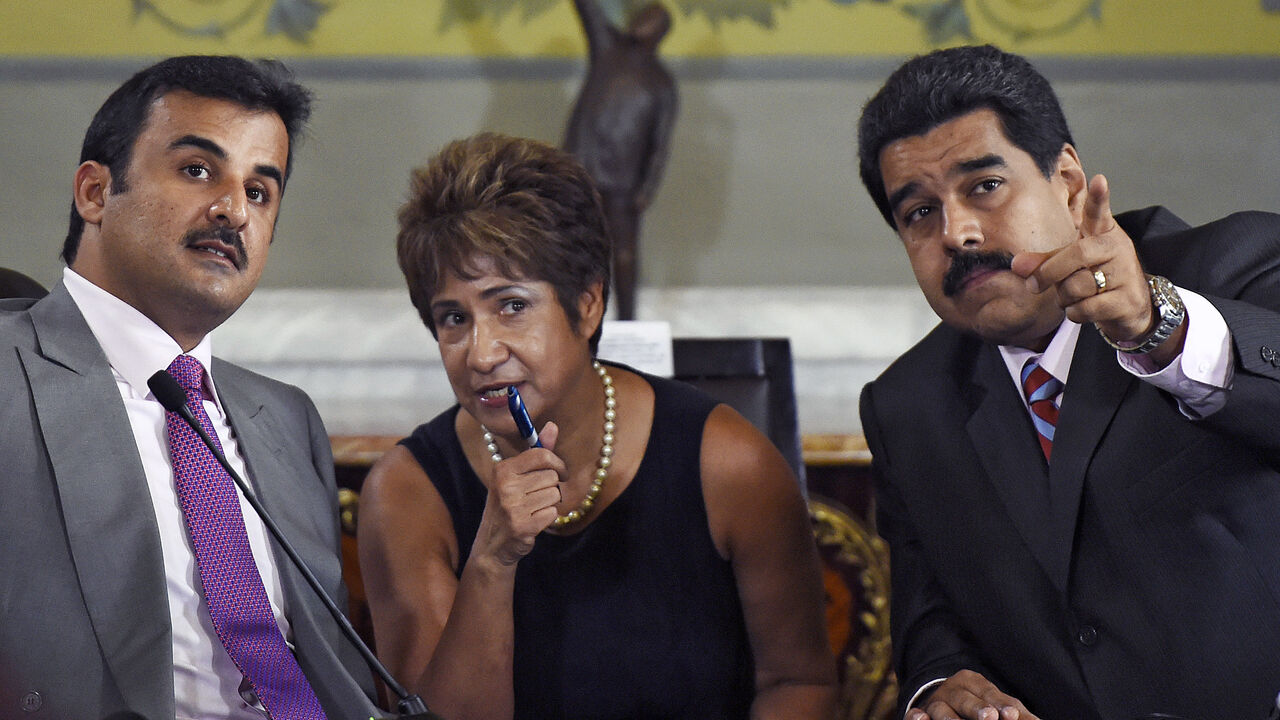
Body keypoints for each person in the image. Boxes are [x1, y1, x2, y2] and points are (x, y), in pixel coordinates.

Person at [856, 44, 1280, 720]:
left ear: (1069, 181)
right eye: (919, 213)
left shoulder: (1236, 267)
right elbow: (930, 615)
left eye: (984, 186)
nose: (958, 232)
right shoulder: (908, 404)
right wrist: (945, 687)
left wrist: (1155, 326)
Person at [358, 132, 835, 720]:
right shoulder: (406, 492)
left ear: (586, 306)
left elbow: (800, 683)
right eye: (453, 318)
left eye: (511, 305)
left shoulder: (726, 461)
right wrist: (492, 560)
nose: (480, 354)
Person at [0, 56, 379, 719]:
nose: (233, 210)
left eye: (260, 192)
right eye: (198, 170)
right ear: (94, 192)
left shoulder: (285, 418)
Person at [564, 0, 678, 321]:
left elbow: (660, 144)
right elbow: (588, 8)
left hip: (623, 182)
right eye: (644, 14)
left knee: (624, 254)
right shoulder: (608, 48)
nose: (644, 20)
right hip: (580, 169)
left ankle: (627, 320)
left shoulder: (661, 83)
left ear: (661, 32)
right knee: (574, 247)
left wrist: (648, 187)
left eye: (653, 18)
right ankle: (576, 319)